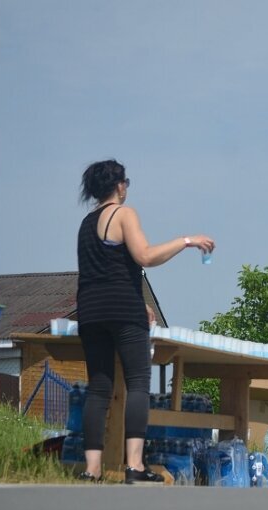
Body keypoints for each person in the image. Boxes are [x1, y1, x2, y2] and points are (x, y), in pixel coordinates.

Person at [77, 159, 214, 484]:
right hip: (123, 311)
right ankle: (134, 465)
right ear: (120, 185)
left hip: (90, 310)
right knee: (139, 382)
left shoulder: (86, 222)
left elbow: (111, 268)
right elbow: (145, 256)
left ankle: (91, 469)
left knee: (98, 388)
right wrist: (187, 240)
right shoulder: (123, 213)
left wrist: (144, 304)